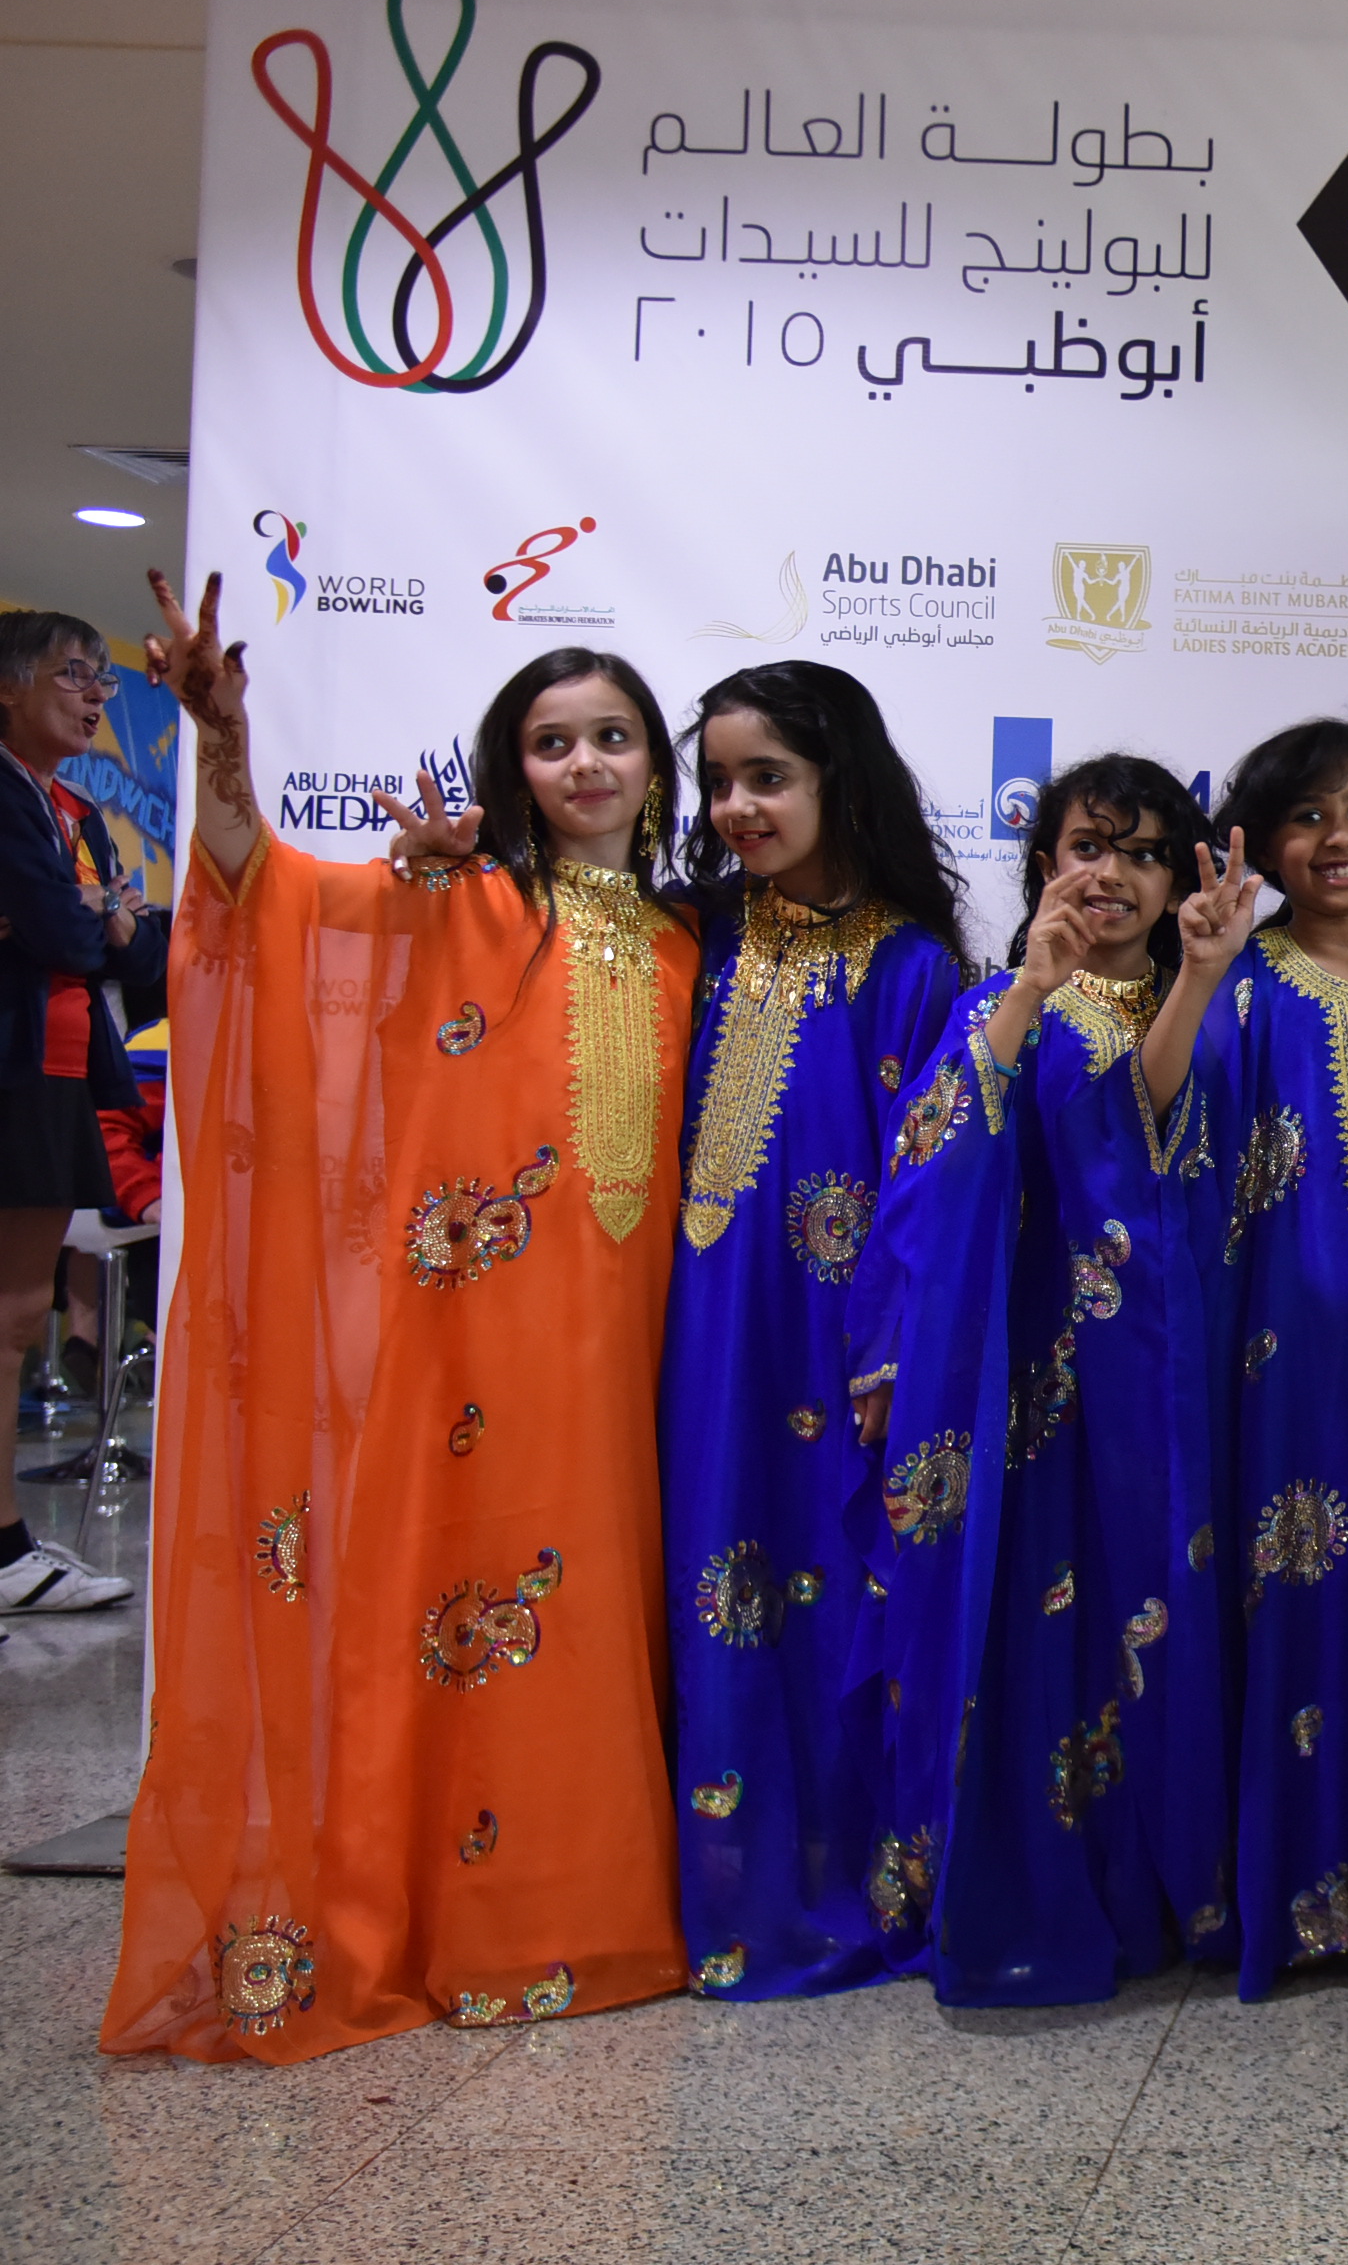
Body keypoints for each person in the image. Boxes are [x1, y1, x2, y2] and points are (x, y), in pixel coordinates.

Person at [109, 573, 697, 2059]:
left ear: (653, 762)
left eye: (613, 736)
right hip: (476, 1360)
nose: (585, 764)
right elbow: (263, 891)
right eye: (552, 742)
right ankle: (470, 1922)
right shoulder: (457, 902)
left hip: (644, 1356)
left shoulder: (692, 944)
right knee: (480, 1603)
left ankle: (608, 1907)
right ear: (513, 770)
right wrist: (222, 744)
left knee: (615, 1597)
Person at [858, 757, 1258, 2006]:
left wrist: (1196, 979)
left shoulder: (1213, 1008)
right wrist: (1031, 988)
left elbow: (1148, 1138)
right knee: (1026, 1620)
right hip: (1020, 1382)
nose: (1112, 873)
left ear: (1178, 879)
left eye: (1144, 852)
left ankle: (1143, 1880)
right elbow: (931, 1155)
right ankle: (1023, 1881)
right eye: (1089, 845)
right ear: (1043, 866)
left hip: (1155, 1381)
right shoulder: (1000, 999)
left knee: (1145, 1608)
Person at [658, 662, 969, 2000]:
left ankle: (843, 1874)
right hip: (700, 1330)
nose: (737, 805)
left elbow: (927, 1176)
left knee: (832, 1585)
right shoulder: (696, 935)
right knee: (708, 1568)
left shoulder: (911, 964)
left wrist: (889, 1348)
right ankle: (716, 1876)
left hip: (838, 1341)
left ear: (840, 779)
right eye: (719, 781)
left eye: (767, 777)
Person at [1198, 719, 1348, 1999]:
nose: (1338, 838)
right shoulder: (1244, 981)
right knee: (1303, 1595)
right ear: (1261, 841)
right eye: (1306, 815)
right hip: (1288, 1356)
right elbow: (1165, 1131)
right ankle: (1302, 1899)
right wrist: (1198, 973)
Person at [0, 610, 158, 1609]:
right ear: (8, 686)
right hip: (15, 1068)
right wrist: (95, 916)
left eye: (104, 678)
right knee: (11, 1315)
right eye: (72, 674)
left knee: (19, 1312)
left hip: (61, 1073)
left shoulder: (75, 811)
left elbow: (137, 954)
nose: (96, 695)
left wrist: (91, 917)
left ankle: (9, 1547)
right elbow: (68, 928)